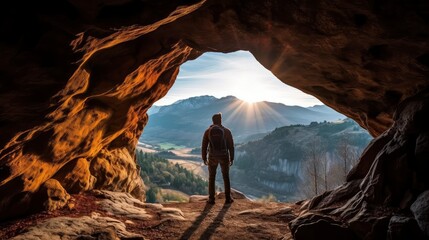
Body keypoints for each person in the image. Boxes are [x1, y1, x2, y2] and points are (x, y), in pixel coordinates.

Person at [201, 112, 235, 204]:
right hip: (224, 156)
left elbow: (204, 146)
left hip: (212, 157)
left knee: (212, 177)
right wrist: (232, 158)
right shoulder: (227, 131)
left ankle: (211, 199)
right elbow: (231, 146)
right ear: (220, 120)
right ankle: (228, 198)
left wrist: (204, 157)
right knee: (226, 177)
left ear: (213, 120)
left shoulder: (208, 131)